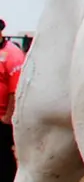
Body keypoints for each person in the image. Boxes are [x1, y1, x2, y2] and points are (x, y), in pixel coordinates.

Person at [0, 19, 24, 181]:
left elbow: (15, 91)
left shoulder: (13, 55)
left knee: (2, 156)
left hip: (2, 118)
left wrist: (7, 118)